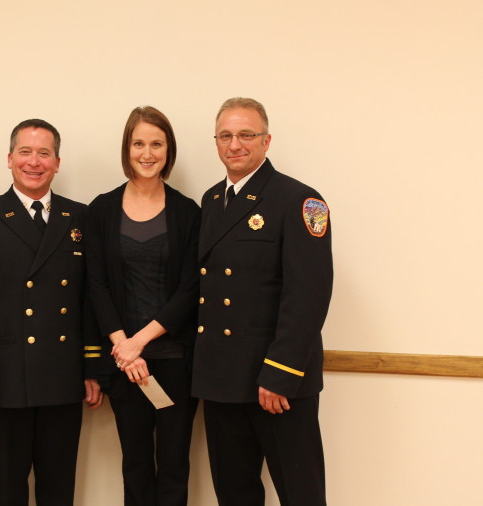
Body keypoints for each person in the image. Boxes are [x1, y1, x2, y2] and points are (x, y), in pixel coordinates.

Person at [0, 119, 103, 506]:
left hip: (63, 377)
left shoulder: (80, 219)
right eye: (25, 152)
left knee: (59, 489)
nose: (34, 162)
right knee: (9, 489)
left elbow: (90, 301)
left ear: (57, 162)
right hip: (3, 381)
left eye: (44, 153)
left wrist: (92, 368)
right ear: (9, 159)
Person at [193, 97, 333, 506]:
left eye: (246, 135)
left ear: (266, 141)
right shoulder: (211, 200)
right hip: (223, 378)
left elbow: (309, 293)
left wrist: (280, 371)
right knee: (234, 493)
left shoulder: (300, 200)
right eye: (226, 136)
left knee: (300, 492)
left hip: (275, 380)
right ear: (216, 142)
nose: (235, 144)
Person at [85, 106, 200, 505]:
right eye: (138, 143)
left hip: (174, 360)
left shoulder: (188, 212)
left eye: (156, 143)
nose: (147, 153)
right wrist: (124, 347)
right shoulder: (101, 209)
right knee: (134, 463)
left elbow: (190, 289)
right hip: (123, 364)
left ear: (168, 150)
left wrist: (141, 342)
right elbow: (95, 284)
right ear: (126, 149)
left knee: (173, 465)